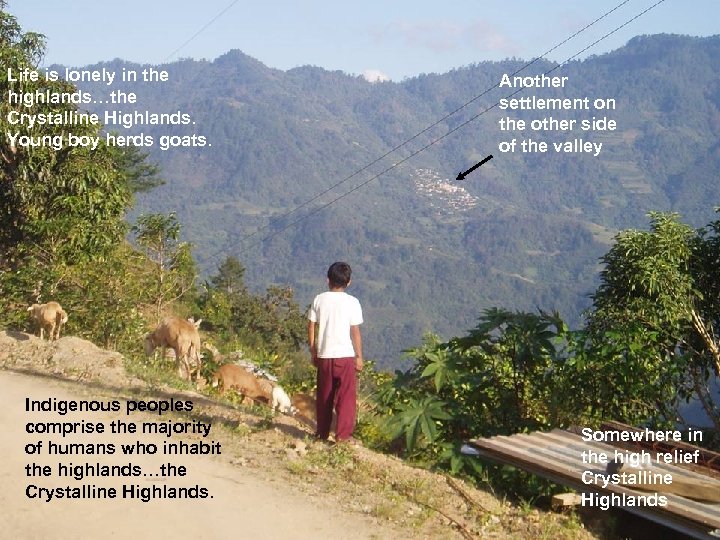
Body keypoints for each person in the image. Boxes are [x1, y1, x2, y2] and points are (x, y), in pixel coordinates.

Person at [307, 261, 363, 443]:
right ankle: (343, 436)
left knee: (324, 395)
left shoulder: (319, 299)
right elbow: (355, 331)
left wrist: (313, 351)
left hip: (325, 355)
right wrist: (359, 356)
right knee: (346, 397)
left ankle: (321, 433)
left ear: (327, 280)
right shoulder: (352, 302)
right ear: (349, 282)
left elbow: (311, 325)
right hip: (345, 355)